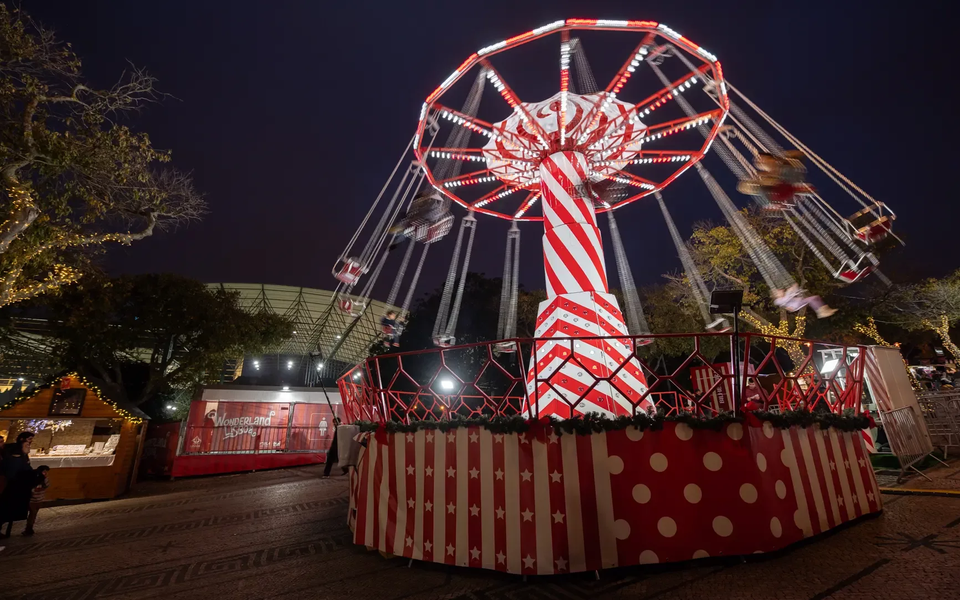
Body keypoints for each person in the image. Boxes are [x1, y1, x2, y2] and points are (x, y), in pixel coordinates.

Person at [0, 432, 35, 538]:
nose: (29, 444)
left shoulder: (19, 458)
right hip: (10, 489)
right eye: (27, 444)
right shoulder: (15, 460)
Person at [772, 284, 837, 318]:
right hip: (795, 305)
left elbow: (794, 291)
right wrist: (789, 291)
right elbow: (785, 299)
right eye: (778, 292)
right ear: (776, 296)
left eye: (779, 291)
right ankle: (821, 313)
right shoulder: (777, 301)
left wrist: (794, 288)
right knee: (811, 300)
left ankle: (825, 309)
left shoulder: (785, 295)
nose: (780, 291)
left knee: (816, 297)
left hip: (799, 301)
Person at [23, 465, 49, 536]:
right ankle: (29, 529)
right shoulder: (36, 479)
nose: (46, 473)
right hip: (34, 501)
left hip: (37, 500)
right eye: (45, 472)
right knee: (32, 515)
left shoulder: (43, 480)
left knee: (33, 515)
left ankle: (29, 528)